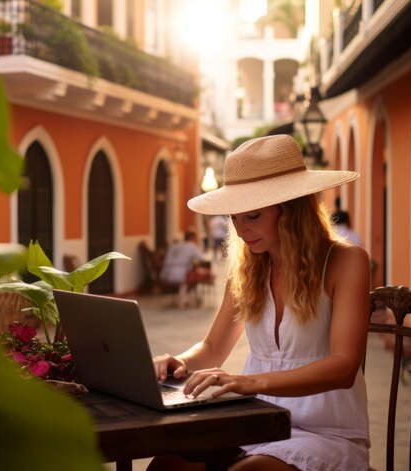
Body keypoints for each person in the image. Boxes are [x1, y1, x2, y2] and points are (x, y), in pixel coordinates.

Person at [150, 135, 370, 470]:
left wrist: (248, 382)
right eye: (234, 218)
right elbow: (212, 346)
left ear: (293, 209)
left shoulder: (346, 261)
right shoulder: (246, 268)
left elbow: (344, 366)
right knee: (167, 463)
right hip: (255, 422)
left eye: (252, 215)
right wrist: (177, 363)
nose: (240, 231)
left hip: (325, 432)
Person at [159, 229, 205, 308]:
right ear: (192, 237)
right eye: (195, 237)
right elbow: (201, 258)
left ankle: (183, 299)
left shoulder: (176, 245)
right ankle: (183, 301)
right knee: (189, 278)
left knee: (185, 280)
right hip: (181, 272)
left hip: (167, 272)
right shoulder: (192, 246)